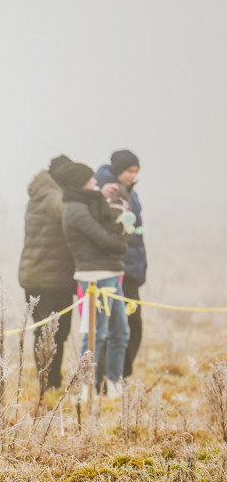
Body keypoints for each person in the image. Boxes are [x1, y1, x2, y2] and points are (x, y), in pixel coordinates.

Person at [57, 161, 129, 398]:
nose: (95, 182)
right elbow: (105, 238)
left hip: (110, 273)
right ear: (81, 183)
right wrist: (121, 237)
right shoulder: (75, 209)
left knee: (121, 331)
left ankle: (114, 382)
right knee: (97, 333)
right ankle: (87, 387)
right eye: (90, 180)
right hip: (95, 277)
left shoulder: (86, 203)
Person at [18, 155, 77, 390]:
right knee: (54, 334)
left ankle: (47, 382)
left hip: (36, 276)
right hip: (51, 279)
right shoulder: (56, 199)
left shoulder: (41, 194)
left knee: (44, 332)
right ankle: (51, 383)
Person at [96, 150, 146, 378]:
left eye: (136, 171)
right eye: (129, 171)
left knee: (130, 327)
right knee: (120, 328)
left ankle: (119, 376)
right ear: (118, 171)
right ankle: (110, 378)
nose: (133, 176)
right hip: (118, 269)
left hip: (131, 269)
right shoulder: (111, 192)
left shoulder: (129, 192)